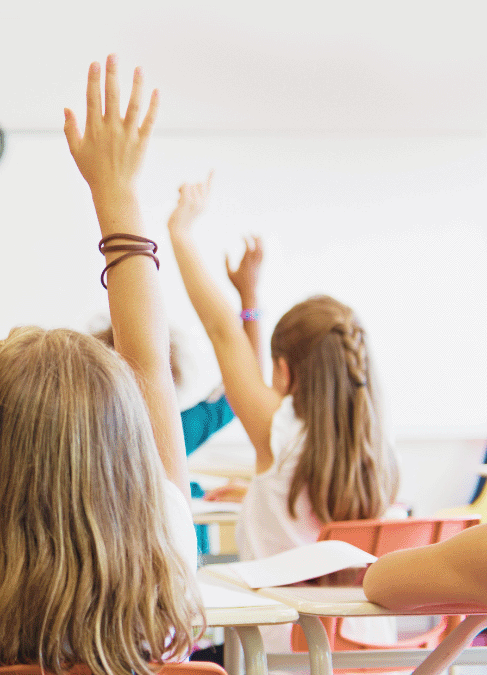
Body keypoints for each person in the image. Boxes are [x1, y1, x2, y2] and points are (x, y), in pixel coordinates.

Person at [0, 56, 200, 675]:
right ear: (128, 452)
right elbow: (150, 366)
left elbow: (147, 368)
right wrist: (117, 193)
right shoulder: (167, 591)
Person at [167, 173, 399, 560]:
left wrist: (180, 231)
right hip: (362, 623)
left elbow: (224, 332)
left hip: (289, 621)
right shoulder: (379, 449)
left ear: (285, 371)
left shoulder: (280, 431)